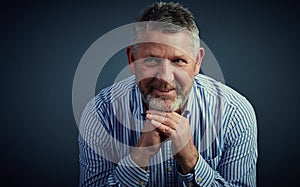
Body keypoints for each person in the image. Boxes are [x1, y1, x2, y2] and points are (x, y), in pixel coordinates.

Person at [78, 2, 257, 186]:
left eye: (178, 60)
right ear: (132, 60)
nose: (165, 77)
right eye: (151, 60)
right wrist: (139, 157)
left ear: (197, 62)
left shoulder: (234, 113)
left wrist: (191, 161)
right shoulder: (99, 114)